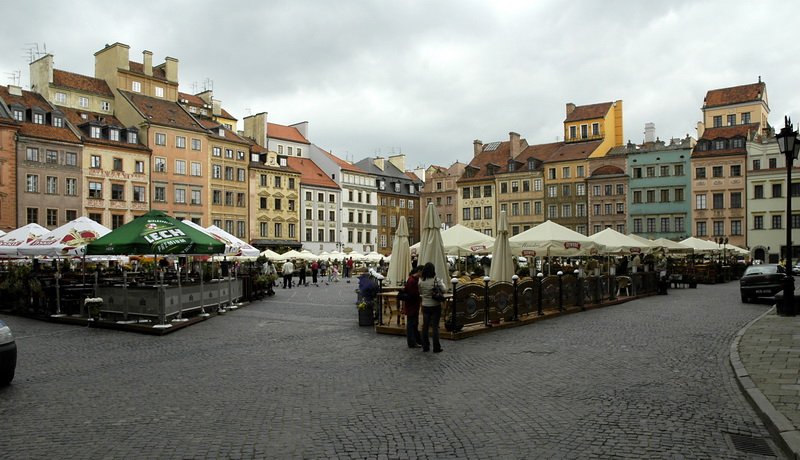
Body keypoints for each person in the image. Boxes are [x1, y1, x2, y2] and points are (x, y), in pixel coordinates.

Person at [418, 262, 446, 353]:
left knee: (425, 326)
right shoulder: (436, 280)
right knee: (435, 327)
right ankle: (436, 347)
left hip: (425, 305)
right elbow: (444, 290)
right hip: (435, 306)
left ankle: (425, 346)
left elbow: (420, 292)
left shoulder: (421, 281)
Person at [403, 266, 423, 348]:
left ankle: (417, 340)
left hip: (413, 306)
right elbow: (412, 294)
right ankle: (412, 342)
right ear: (419, 271)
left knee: (414, 323)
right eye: (422, 272)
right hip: (412, 306)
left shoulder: (414, 280)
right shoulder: (412, 281)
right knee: (411, 324)